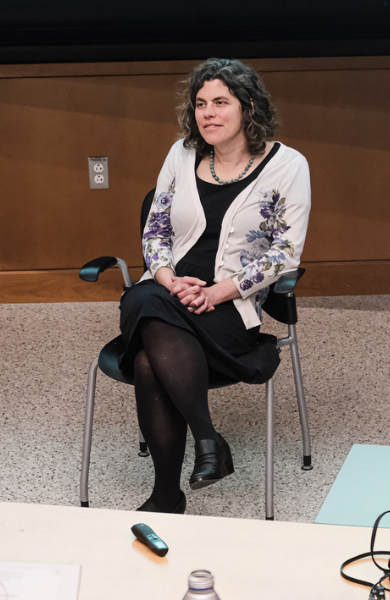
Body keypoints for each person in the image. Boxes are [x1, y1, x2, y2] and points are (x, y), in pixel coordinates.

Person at [119, 58, 310, 514]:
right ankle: (208, 439)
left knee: (148, 359)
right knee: (145, 294)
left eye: (221, 102)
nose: (208, 113)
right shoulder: (180, 154)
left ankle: (168, 493)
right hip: (167, 291)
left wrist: (215, 292)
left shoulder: (288, 166)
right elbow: (155, 231)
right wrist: (167, 277)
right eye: (201, 103)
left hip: (228, 309)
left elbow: (284, 253)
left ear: (248, 107)